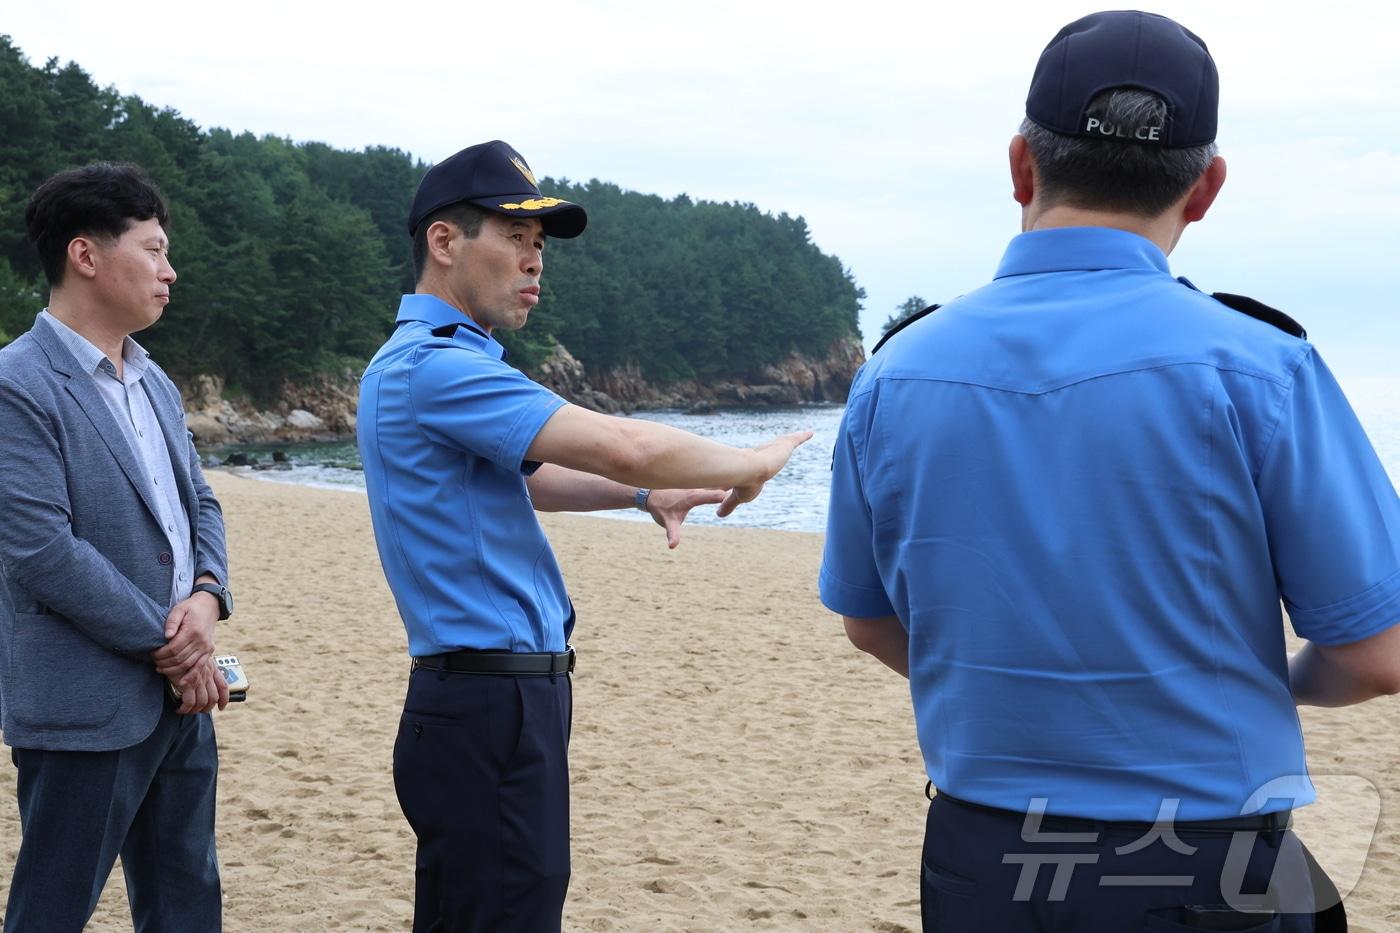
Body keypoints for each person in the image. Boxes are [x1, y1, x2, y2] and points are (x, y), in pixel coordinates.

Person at [820, 11, 1400, 932]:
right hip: (1201, 860)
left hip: (984, 856)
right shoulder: (1262, 367)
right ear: (1205, 188)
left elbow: (869, 622)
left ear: (1021, 164)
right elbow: (1378, 652)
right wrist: (1277, 679)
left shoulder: (896, 371)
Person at [358, 139, 810, 932]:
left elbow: (533, 478)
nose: (535, 264)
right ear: (444, 241)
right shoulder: (435, 367)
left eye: (540, 247)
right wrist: (750, 462)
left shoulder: (442, 365)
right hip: (486, 698)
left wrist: (647, 494)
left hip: (493, 697)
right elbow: (622, 441)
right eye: (515, 240)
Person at [0, 163, 234, 931]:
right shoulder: (16, 384)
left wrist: (207, 592)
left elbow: (200, 500)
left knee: (187, 904)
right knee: (52, 908)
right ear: (85, 255)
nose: (170, 272)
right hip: (84, 702)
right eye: (155, 248)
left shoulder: (154, 380)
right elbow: (40, 549)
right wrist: (176, 649)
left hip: (180, 701)